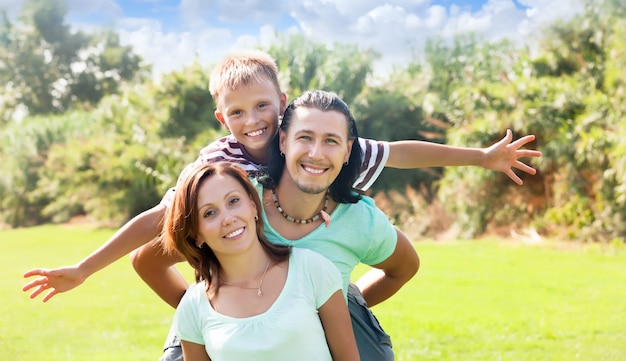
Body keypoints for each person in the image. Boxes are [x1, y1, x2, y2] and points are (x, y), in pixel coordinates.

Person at [22, 51, 541, 360]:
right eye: (239, 112)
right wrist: (216, 312)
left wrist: (481, 157)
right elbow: (156, 227)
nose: (254, 121)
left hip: (328, 296)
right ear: (222, 119)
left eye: (264, 106)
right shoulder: (226, 170)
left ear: (284, 103)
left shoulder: (327, 146)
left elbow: (402, 151)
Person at [161, 161, 359, 361]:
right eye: (209, 213)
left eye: (234, 201)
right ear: (196, 234)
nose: (228, 219)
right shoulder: (193, 306)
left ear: (254, 206)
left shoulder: (312, 268)